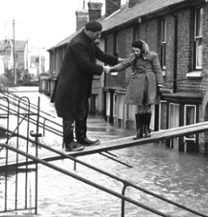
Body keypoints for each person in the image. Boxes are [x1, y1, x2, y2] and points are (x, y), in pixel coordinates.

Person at [51, 20, 118, 152]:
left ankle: (82, 138)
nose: (98, 37)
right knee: (69, 114)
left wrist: (119, 61)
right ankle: (69, 143)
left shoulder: (88, 41)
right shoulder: (77, 43)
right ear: (89, 31)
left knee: (82, 111)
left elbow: (101, 55)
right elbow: (85, 64)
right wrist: (103, 69)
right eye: (97, 34)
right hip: (70, 85)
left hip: (80, 85)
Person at [111, 40, 163, 140]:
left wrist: (160, 84)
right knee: (139, 105)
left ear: (142, 49)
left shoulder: (153, 56)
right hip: (137, 82)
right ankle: (139, 131)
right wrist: (112, 69)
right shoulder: (133, 57)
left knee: (148, 105)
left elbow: (158, 70)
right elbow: (124, 64)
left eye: (137, 51)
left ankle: (146, 130)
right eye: (134, 51)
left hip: (150, 82)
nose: (135, 53)